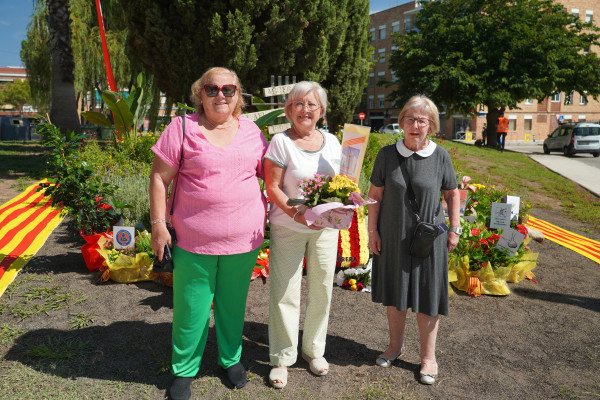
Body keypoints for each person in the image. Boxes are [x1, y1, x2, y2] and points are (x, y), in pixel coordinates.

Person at [149, 67, 268, 400]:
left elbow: (271, 177)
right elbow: (159, 178)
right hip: (193, 240)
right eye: (212, 89)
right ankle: (184, 371)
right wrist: (159, 226)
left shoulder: (252, 131)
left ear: (238, 95)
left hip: (244, 241)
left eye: (228, 89)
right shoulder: (182, 127)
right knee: (192, 308)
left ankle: (230, 360)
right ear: (199, 93)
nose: (221, 95)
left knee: (233, 305)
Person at [367, 95, 460, 385]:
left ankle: (428, 358)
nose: (415, 125)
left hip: (428, 240)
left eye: (422, 120)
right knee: (396, 296)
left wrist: (455, 227)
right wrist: (372, 231)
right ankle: (395, 347)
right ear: (401, 122)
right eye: (410, 119)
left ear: (431, 125)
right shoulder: (386, 155)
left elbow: (452, 193)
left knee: (427, 297)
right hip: (393, 238)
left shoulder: (440, 155)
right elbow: (375, 197)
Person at [264, 81, 342, 389]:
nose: (305, 110)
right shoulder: (280, 143)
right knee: (285, 291)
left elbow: (344, 182)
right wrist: (299, 213)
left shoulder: (335, 142)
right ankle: (282, 358)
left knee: (322, 288)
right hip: (289, 226)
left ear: (321, 111)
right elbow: (272, 189)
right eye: (298, 104)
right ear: (288, 110)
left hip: (325, 228)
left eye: (311, 105)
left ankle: (314, 351)